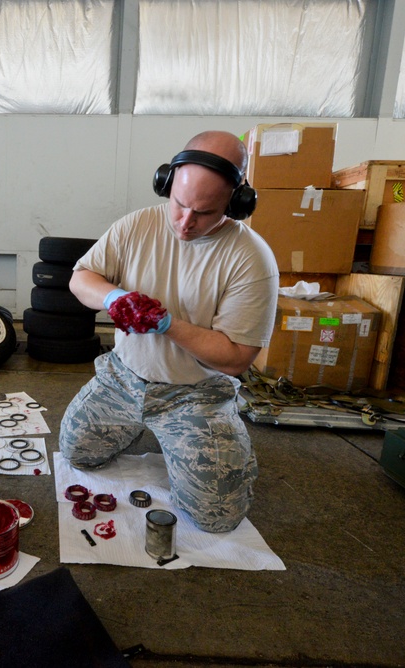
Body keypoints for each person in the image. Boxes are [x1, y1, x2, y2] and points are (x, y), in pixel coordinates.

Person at [59, 131, 279, 533]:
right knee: (77, 452)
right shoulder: (138, 225)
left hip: (194, 394)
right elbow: (80, 278)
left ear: (237, 202)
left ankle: (214, 440)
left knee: (217, 517)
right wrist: (114, 298)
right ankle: (137, 426)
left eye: (205, 212)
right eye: (179, 204)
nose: (184, 222)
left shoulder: (251, 258)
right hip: (123, 379)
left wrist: (168, 325)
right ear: (167, 182)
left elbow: (236, 357)